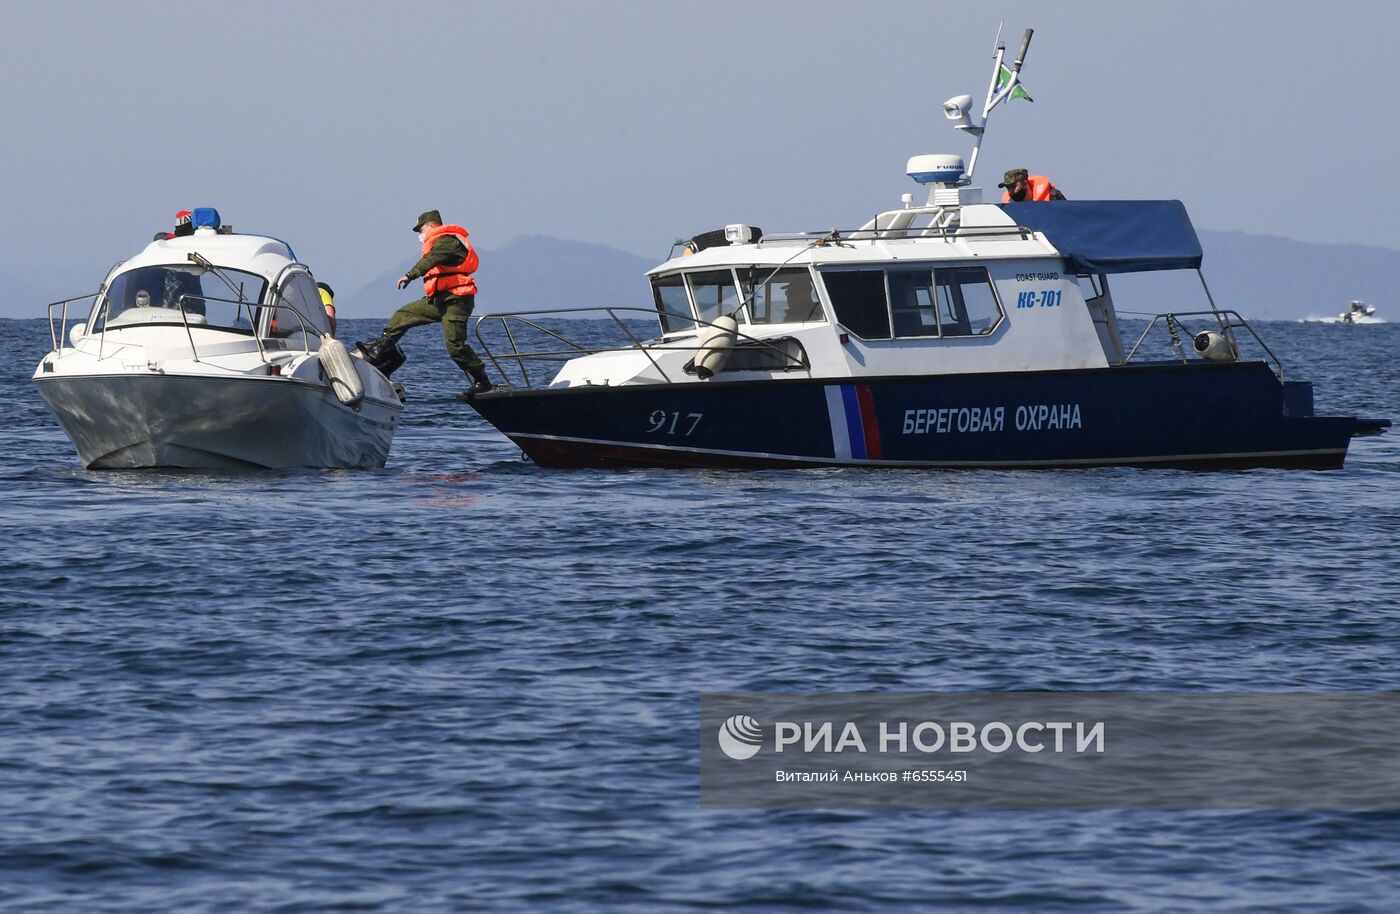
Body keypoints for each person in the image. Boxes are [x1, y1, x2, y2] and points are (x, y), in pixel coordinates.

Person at [378, 209, 493, 398]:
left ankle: (482, 380)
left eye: (421, 229)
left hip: (456, 300)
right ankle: (380, 351)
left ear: (432, 225)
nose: (420, 235)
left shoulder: (448, 241)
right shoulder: (438, 241)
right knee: (403, 315)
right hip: (438, 299)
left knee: (455, 346)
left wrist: (410, 275)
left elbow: (430, 261)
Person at [998, 169, 1065, 202]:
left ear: (1025, 183)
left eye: (1013, 186)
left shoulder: (1052, 196)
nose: (1010, 191)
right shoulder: (1008, 208)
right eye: (1008, 188)